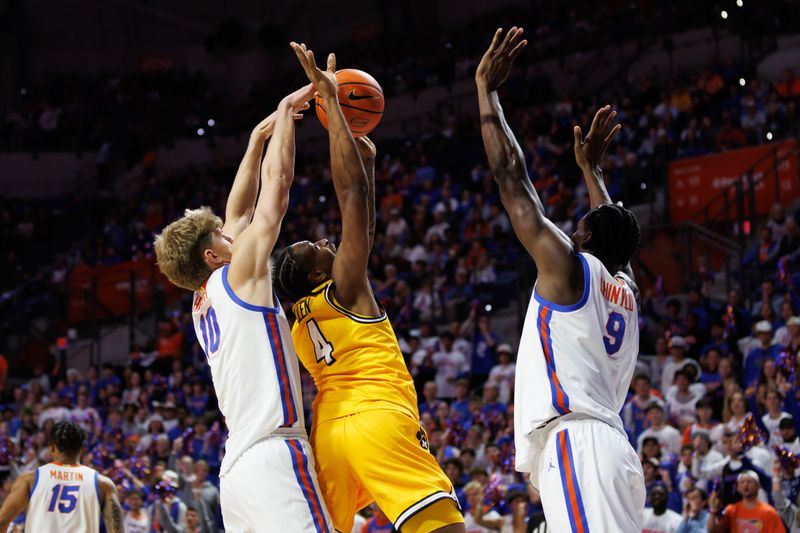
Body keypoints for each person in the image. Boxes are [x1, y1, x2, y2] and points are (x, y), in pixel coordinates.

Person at [272, 42, 464, 533]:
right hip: (377, 414)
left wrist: (370, 167)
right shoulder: (343, 288)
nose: (322, 240)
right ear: (318, 274)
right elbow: (350, 198)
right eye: (313, 246)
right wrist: (332, 102)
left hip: (330, 433)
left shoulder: (303, 314)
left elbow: (363, 236)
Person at [475, 27, 644, 531]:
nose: (568, 231)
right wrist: (592, 171)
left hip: (580, 445)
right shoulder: (626, 292)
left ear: (583, 238)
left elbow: (511, 177)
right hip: (609, 447)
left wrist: (487, 92)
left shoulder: (571, 270)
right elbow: (617, 241)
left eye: (578, 228)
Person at [153, 83, 334, 532]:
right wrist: (285, 111)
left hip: (236, 473)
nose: (232, 233)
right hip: (274, 455)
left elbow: (236, 212)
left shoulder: (205, 298)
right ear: (212, 256)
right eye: (220, 237)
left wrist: (256, 141)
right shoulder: (239, 275)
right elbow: (276, 189)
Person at [0, 421, 123, 532]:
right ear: (82, 449)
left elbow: (2, 521)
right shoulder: (103, 483)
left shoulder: (29, 479)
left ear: (52, 447)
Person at [707, 470, 785, 532]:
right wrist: (713, 510)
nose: (745, 485)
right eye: (742, 482)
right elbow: (713, 530)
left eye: (749, 482)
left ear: (758, 486)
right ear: (737, 487)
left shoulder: (769, 512)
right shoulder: (731, 510)